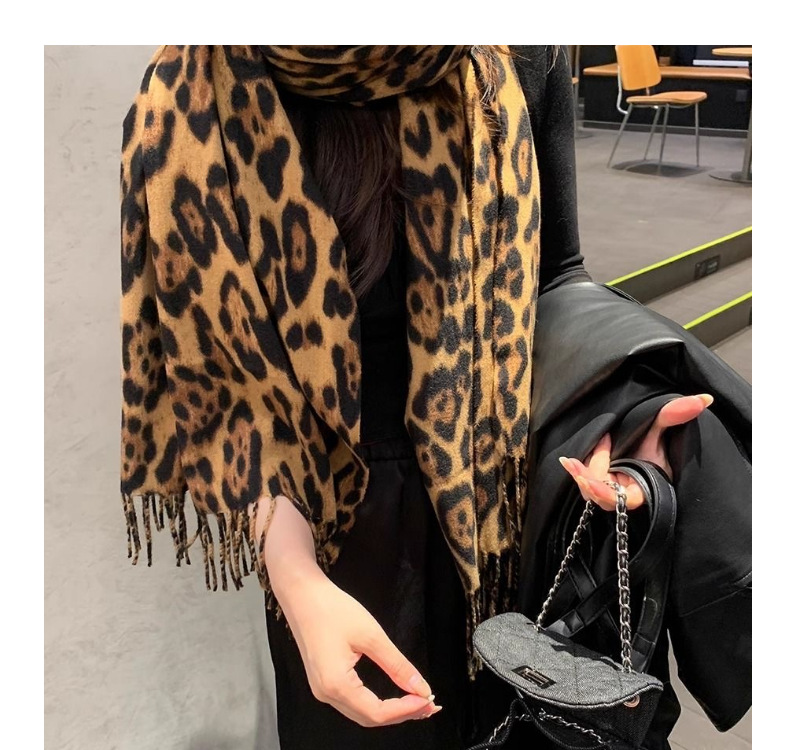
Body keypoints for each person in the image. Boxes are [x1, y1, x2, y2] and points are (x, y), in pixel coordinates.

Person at [119, 45, 712, 749]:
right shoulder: (195, 94)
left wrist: (618, 413)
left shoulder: (512, 56)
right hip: (330, 527)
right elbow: (229, 389)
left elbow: (556, 277)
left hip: (505, 499)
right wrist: (297, 579)